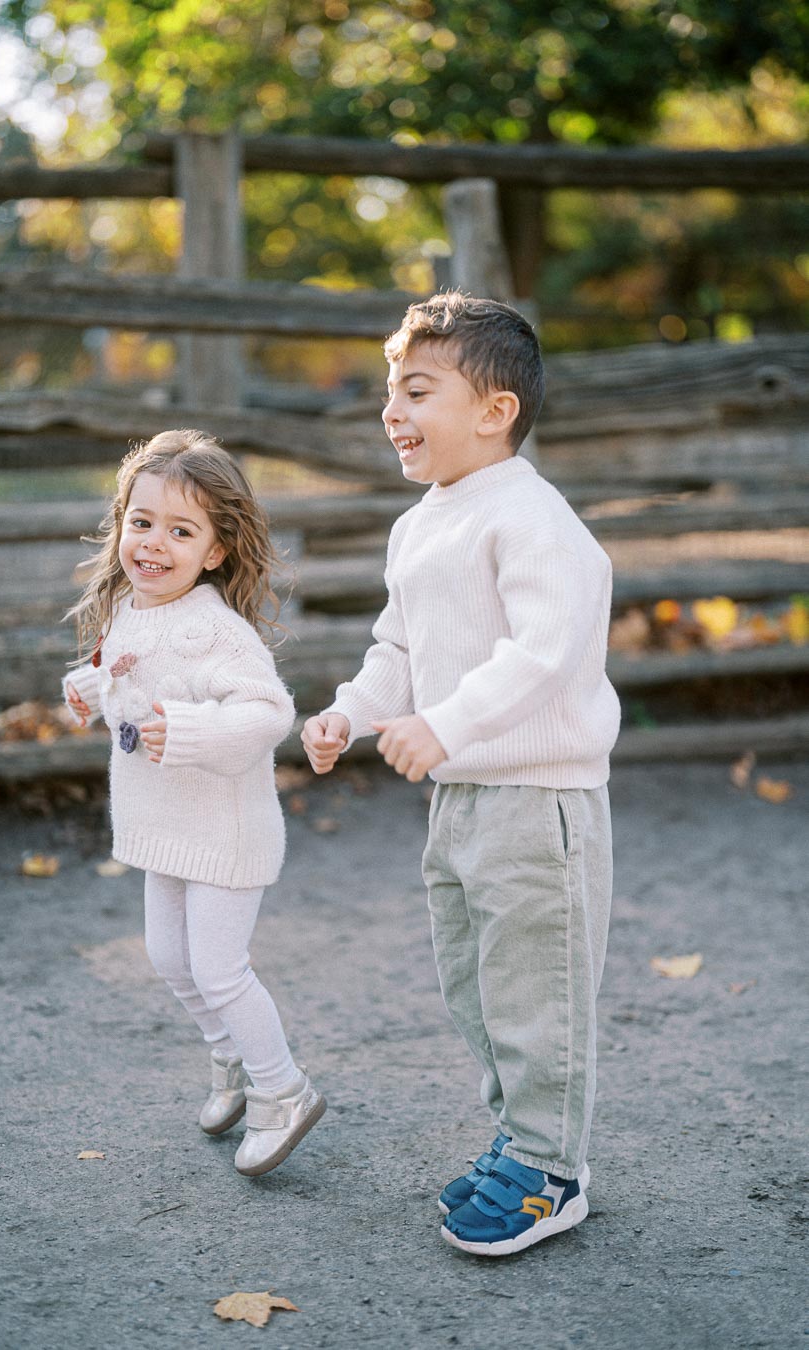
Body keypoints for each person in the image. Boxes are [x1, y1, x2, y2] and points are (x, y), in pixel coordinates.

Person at [302, 292, 619, 1256]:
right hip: (461, 798)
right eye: (389, 391)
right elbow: (398, 646)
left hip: (538, 798)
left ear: (494, 410)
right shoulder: (420, 525)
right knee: (474, 983)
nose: (391, 410)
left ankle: (550, 1170)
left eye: (417, 391)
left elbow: (546, 651)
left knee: (535, 990)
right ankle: (521, 1139)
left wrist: (445, 724)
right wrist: (352, 711)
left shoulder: (532, 518)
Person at [63, 429, 325, 1177]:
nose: (154, 543)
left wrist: (188, 730)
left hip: (223, 829)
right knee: (168, 958)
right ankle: (229, 1057)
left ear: (215, 551)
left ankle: (283, 1091)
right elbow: (130, 676)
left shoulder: (214, 628)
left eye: (181, 531)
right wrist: (91, 687)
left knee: (219, 969)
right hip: (163, 824)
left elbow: (269, 713)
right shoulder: (130, 607)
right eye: (141, 522)